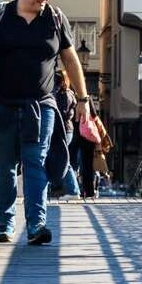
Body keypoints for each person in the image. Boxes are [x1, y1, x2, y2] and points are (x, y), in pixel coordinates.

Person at [0, 0, 93, 245]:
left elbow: (70, 60)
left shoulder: (54, 18)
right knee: (5, 166)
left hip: (41, 105)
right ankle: (5, 223)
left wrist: (83, 99)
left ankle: (36, 225)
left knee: (35, 163)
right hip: (2, 104)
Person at [46, 69, 81, 198]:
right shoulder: (69, 93)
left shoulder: (63, 94)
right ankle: (62, 187)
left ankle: (73, 190)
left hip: (63, 129)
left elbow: (61, 112)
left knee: (61, 158)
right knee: (59, 157)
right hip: (66, 129)